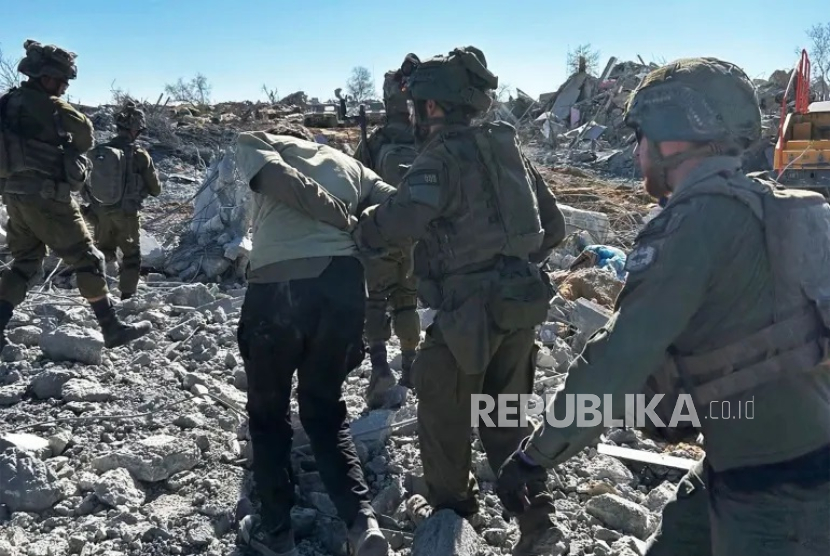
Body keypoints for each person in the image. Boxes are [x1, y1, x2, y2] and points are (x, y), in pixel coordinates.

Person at [495, 57, 830, 556]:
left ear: (673, 139)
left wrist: (536, 456)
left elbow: (618, 360)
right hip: (755, 459)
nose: (637, 153)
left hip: (779, 490)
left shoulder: (695, 223)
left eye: (641, 138)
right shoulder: (783, 204)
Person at [352, 47, 567, 555]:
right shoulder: (509, 148)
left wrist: (360, 230)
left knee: (444, 415)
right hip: (520, 305)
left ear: (432, 107)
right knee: (506, 414)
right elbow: (553, 227)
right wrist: (508, 261)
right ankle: (537, 518)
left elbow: (400, 222)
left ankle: (454, 520)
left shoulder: (442, 155)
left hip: (467, 313)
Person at [233, 123, 395, 556]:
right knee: (324, 411)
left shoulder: (257, 141)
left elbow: (276, 180)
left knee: (268, 416)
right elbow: (396, 207)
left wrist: (337, 216)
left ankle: (276, 532)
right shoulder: (353, 166)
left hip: (277, 286)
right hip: (342, 285)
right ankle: (362, 523)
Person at [0, 40, 151, 350]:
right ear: (45, 77)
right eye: (62, 80)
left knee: (25, 264)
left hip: (14, 196)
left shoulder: (5, 103)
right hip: (48, 197)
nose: (65, 86)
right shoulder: (54, 107)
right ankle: (111, 328)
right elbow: (85, 135)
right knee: (88, 258)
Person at [353, 70, 421, 409]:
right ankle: (410, 370)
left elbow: (355, 183)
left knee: (375, 300)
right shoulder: (426, 136)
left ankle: (380, 367)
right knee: (407, 300)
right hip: (416, 236)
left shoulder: (376, 140)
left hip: (379, 231)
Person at [84, 101, 161, 300]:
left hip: (100, 213)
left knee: (103, 252)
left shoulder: (99, 152)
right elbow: (156, 189)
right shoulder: (139, 155)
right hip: (126, 215)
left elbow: (84, 183)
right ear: (136, 130)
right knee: (131, 257)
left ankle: (97, 295)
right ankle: (127, 298)